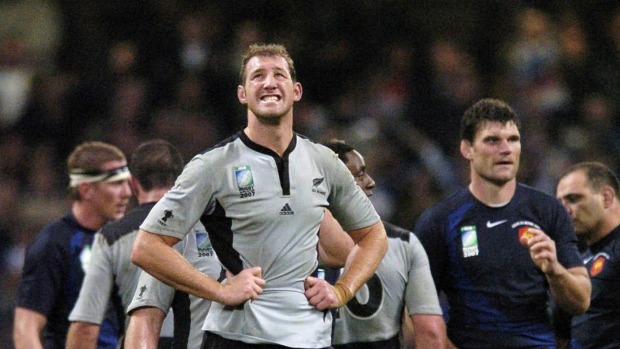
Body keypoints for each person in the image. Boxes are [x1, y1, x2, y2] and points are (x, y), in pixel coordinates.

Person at [130, 43, 388, 349]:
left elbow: (374, 236)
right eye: (257, 76)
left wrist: (342, 290)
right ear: (242, 94)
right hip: (238, 335)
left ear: (296, 91)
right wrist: (220, 291)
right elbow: (146, 246)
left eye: (278, 74)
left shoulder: (323, 161)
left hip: (312, 337)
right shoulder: (213, 165)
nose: (268, 83)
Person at [414, 98, 591, 348]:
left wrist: (554, 270)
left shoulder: (548, 211)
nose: (506, 149)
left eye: (513, 139)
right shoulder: (440, 221)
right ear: (467, 149)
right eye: (492, 140)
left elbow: (581, 302)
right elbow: (418, 314)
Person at [323, 139, 447, 349]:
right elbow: (430, 333)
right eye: (359, 175)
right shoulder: (402, 243)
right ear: (332, 183)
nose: (371, 182)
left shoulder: (288, 246)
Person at [64, 139, 186, 349]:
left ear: (132, 183)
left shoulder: (112, 237)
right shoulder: (210, 229)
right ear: (180, 180)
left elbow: (86, 326)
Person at [13, 141, 132, 349]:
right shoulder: (54, 243)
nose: (127, 192)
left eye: (127, 183)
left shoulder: (124, 239)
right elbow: (26, 327)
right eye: (115, 183)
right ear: (86, 190)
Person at [555, 161, 620, 349]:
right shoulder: (577, 260)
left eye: (573, 199)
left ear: (607, 198)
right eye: (560, 203)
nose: (565, 210)